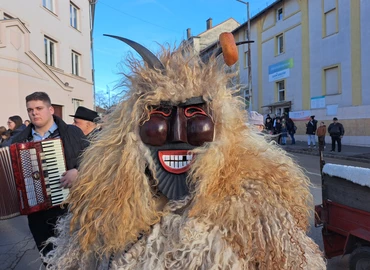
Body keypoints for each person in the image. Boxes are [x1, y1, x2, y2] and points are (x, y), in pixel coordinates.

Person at [43, 36, 325, 269]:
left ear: (221, 125)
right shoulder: (105, 209)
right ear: (130, 131)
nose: (178, 135)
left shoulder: (256, 205)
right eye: (161, 116)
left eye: (195, 116)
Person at [11, 91, 89, 257]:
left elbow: (93, 159)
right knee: (47, 257)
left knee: (73, 257)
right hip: (36, 212)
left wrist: (78, 171)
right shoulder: (19, 141)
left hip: (68, 208)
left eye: (39, 108)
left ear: (51, 109)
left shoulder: (72, 133)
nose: (34, 112)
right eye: (30, 109)